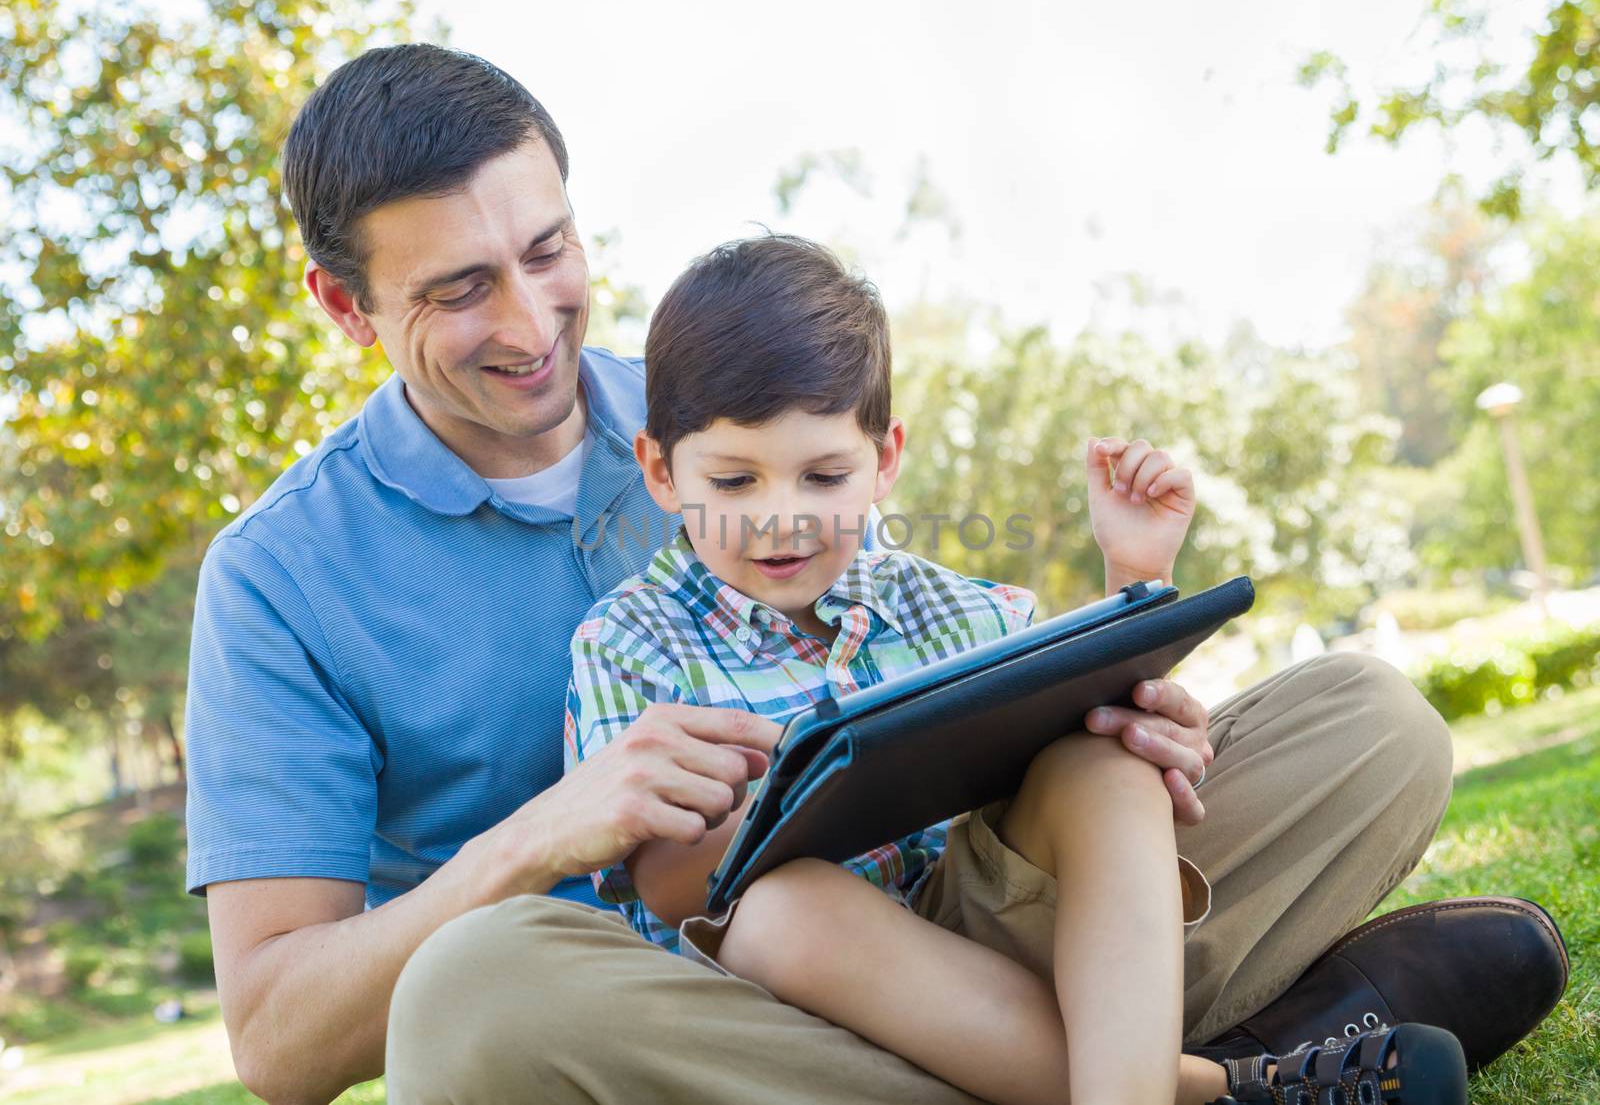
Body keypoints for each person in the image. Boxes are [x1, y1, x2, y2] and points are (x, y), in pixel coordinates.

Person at [183, 43, 1566, 1105]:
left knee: (1367, 723)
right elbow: (279, 1038)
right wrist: (539, 834)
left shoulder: (723, 407)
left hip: (940, 920)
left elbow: (941, 654)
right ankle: (1228, 1069)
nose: (533, 321)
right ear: (344, 303)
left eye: (548, 253)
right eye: (457, 289)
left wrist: (1120, 702)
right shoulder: (279, 580)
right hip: (680, 1012)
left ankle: (1130, 1059)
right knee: (469, 995)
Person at [562, 234, 1472, 1105]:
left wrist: (1137, 585)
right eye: (734, 482)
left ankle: (1114, 1071)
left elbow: (1089, 782)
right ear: (659, 470)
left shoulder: (966, 612)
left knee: (1329, 721)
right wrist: (802, 794)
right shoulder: (629, 641)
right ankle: (1214, 1083)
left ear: (884, 462)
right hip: (797, 1021)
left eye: (823, 477)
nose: (781, 518)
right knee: (779, 908)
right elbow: (672, 888)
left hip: (1005, 944)